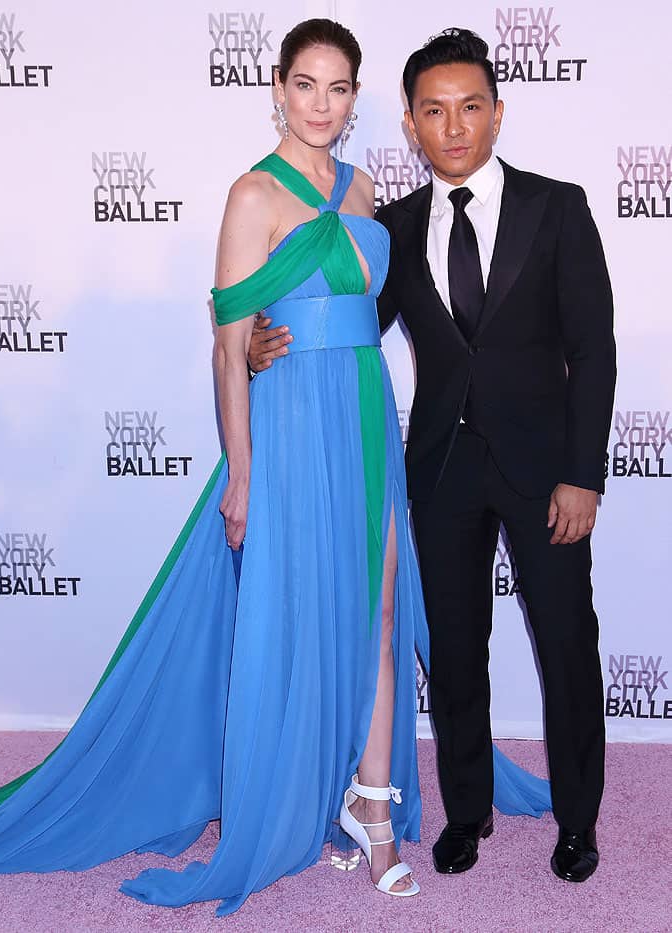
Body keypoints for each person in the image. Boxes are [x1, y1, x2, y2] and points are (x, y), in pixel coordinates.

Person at [0, 21, 549, 914]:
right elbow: (228, 343)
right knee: (297, 608)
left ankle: (370, 805)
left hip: (362, 410)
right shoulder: (252, 194)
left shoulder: (365, 188)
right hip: (288, 425)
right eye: (306, 85)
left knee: (382, 606)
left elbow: (381, 303)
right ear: (276, 88)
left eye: (339, 88)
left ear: (358, 100)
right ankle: (292, 798)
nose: (321, 104)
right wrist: (240, 471)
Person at [249, 28, 616, 884]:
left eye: (470, 108)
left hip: (544, 474)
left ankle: (580, 821)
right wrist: (272, 338)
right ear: (411, 123)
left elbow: (592, 350)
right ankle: (468, 812)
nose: (453, 127)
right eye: (433, 111)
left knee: (566, 645)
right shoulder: (393, 225)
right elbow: (353, 328)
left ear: (496, 112)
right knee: (453, 652)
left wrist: (583, 473)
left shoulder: (557, 206)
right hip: (440, 473)